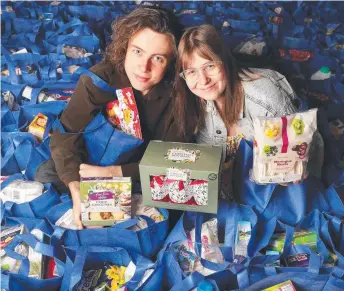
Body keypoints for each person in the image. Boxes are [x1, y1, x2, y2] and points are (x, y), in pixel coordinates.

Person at [35, 6, 193, 229]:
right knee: (45, 174)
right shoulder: (100, 80)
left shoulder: (179, 96)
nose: (143, 67)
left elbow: (171, 161)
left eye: (158, 58)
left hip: (139, 176)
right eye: (137, 51)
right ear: (125, 47)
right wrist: (76, 187)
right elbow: (65, 135)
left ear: (171, 63)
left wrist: (115, 174)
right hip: (89, 166)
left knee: (179, 198)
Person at [172, 24, 324, 199]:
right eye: (191, 71)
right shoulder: (197, 99)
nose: (203, 80)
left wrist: (293, 169)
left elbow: (306, 151)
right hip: (238, 190)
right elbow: (209, 157)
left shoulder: (265, 97)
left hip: (277, 194)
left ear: (225, 61)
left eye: (210, 66)